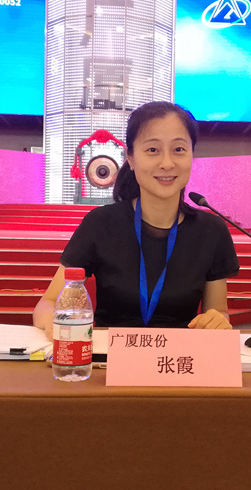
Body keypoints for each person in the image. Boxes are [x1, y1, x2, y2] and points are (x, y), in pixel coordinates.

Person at [33, 101, 239, 337]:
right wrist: (54, 321)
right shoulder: (100, 224)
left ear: (192, 154)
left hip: (179, 356)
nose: (167, 163)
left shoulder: (211, 231)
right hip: (109, 355)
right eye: (152, 150)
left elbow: (218, 312)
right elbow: (47, 304)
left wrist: (217, 321)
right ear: (130, 158)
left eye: (179, 149)